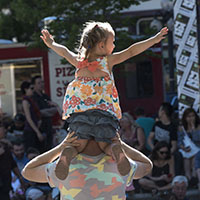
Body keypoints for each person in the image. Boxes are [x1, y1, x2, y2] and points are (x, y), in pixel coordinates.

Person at [40, 21, 168, 180]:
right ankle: (116, 151)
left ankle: (67, 154)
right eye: (112, 42)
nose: (114, 45)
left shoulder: (80, 62)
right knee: (106, 143)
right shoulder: (107, 61)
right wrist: (153, 40)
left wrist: (51, 44)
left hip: (81, 114)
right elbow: (131, 51)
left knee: (77, 143)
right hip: (104, 114)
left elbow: (64, 51)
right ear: (101, 46)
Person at [22, 131, 153, 200]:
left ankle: (75, 145)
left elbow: (28, 172)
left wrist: (61, 148)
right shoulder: (119, 166)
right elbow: (147, 165)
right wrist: (121, 145)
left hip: (72, 163)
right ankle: (111, 146)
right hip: (105, 125)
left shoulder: (64, 168)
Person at [31, 75, 61, 151]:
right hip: (40, 128)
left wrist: (48, 111)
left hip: (49, 126)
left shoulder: (45, 96)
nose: (41, 84)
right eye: (39, 83)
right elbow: (39, 112)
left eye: (42, 82)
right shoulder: (33, 97)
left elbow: (54, 110)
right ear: (34, 85)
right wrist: (47, 111)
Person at [0, 122, 25, 200]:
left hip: (5, 185)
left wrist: (20, 178)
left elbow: (12, 164)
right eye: (2, 129)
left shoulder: (5, 145)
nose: (4, 130)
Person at [21, 81, 45, 152]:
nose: (33, 90)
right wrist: (37, 132)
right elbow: (28, 118)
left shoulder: (32, 100)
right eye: (31, 88)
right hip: (30, 130)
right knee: (31, 152)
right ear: (26, 89)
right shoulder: (25, 101)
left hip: (35, 128)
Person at [177, 108, 200, 185]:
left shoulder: (198, 127)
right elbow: (179, 140)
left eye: (192, 116)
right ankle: (189, 179)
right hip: (186, 149)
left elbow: (197, 139)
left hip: (197, 148)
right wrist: (182, 147)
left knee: (194, 158)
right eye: (188, 116)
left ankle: (194, 178)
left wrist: (193, 128)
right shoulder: (181, 128)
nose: (191, 118)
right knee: (186, 159)